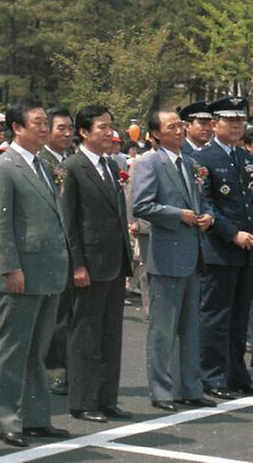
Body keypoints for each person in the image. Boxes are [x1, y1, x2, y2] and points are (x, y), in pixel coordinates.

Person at [0, 99, 70, 448]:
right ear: (17, 127)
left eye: (46, 121)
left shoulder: (44, 165)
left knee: (37, 349)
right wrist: (10, 268)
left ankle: (36, 418)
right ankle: (8, 419)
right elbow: (0, 224)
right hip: (20, 272)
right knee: (13, 350)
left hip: (48, 270)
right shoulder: (3, 167)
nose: (45, 127)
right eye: (37, 122)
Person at [132, 109, 216, 411]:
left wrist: (208, 216)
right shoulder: (148, 163)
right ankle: (162, 391)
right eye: (172, 127)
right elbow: (141, 205)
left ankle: (189, 388)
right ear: (156, 134)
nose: (180, 131)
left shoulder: (190, 163)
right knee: (163, 329)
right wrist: (176, 215)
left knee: (190, 327)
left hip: (192, 253)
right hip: (166, 254)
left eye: (180, 125)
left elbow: (202, 201)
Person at [62, 104, 133, 423]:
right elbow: (70, 222)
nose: (110, 132)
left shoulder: (108, 164)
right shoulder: (73, 167)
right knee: (86, 334)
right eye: (102, 127)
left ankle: (107, 398)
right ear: (84, 132)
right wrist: (77, 265)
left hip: (114, 263)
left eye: (110, 126)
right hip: (89, 264)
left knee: (110, 334)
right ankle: (83, 400)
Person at [196, 96, 253, 399]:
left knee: (240, 317)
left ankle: (236, 372)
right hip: (221, 249)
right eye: (229, 120)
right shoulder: (204, 159)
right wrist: (233, 234)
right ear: (214, 124)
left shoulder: (245, 158)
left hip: (246, 252)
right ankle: (213, 376)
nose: (235, 125)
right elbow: (206, 206)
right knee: (216, 317)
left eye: (240, 120)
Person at [39, 105, 74, 396]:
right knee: (56, 317)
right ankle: (54, 372)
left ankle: (68, 368)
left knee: (68, 315)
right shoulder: (43, 162)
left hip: (72, 248)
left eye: (69, 128)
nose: (66, 133)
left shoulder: (69, 161)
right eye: (60, 128)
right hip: (50, 249)